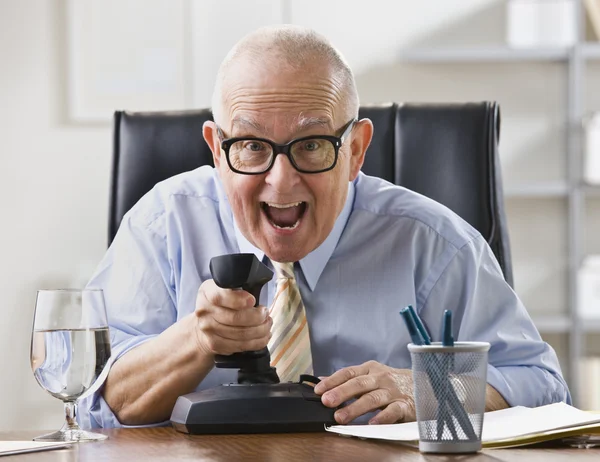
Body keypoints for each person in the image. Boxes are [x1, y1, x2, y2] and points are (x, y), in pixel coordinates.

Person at [78, 25, 570, 429]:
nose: (280, 179)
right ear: (216, 149)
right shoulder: (164, 223)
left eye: (311, 144)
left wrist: (429, 388)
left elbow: (542, 383)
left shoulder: (434, 244)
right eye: (251, 145)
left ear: (355, 150)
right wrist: (197, 339)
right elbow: (94, 402)